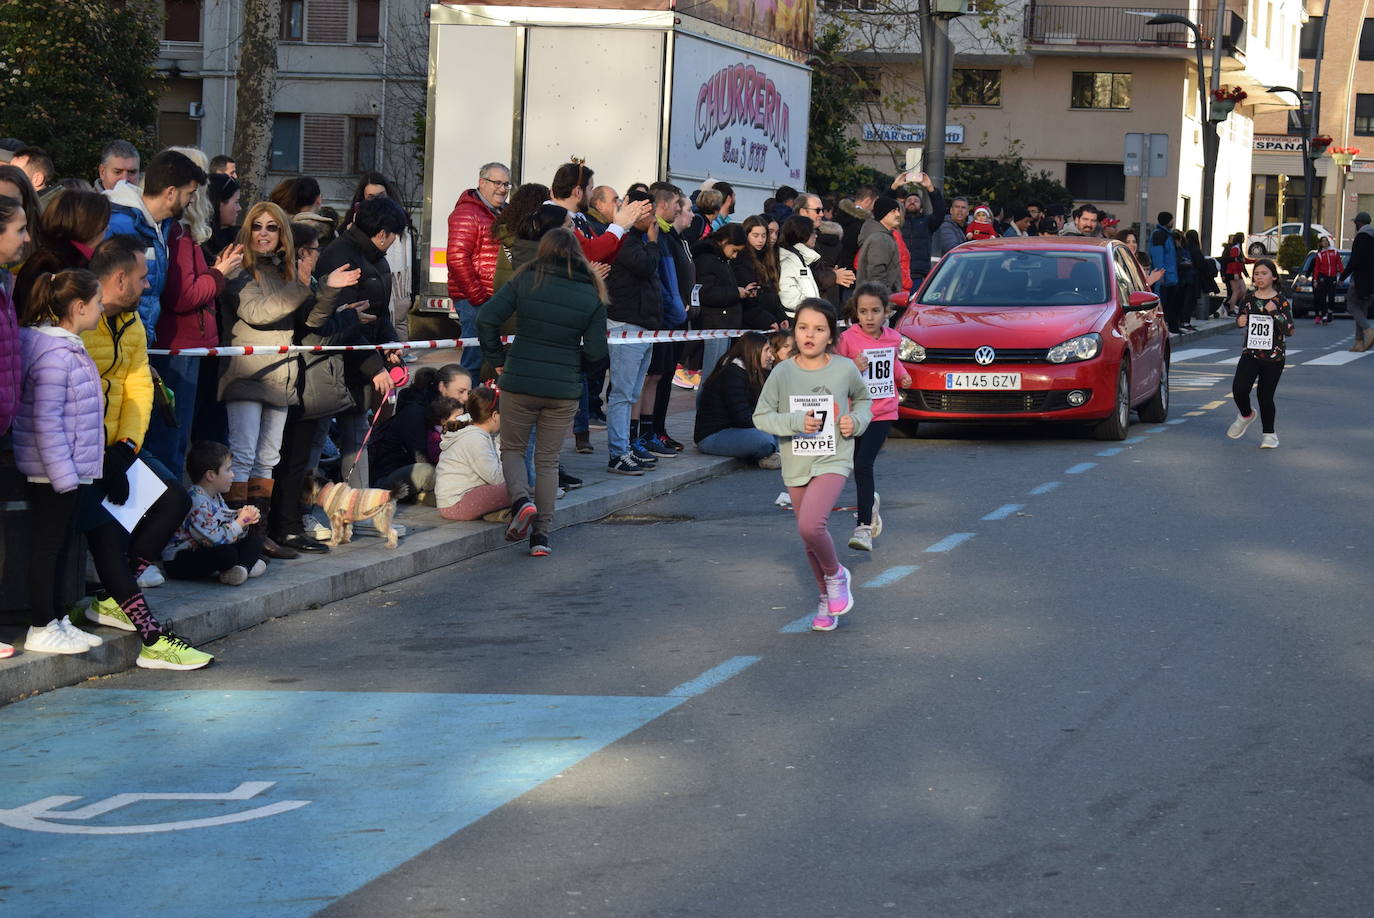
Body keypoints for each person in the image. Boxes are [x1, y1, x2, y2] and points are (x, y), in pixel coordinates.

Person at [74, 236, 214, 670]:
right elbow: (74, 390)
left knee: (174, 498)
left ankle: (121, 598)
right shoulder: (75, 315)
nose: (148, 284)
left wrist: (127, 448)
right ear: (119, 279)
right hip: (78, 447)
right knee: (101, 532)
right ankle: (151, 636)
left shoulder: (131, 320)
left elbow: (138, 387)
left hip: (117, 445)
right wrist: (98, 452)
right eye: (141, 276)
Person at [218, 201, 360, 558]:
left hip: (282, 376)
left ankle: (259, 534)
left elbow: (310, 321)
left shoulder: (286, 272)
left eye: (272, 227)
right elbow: (258, 312)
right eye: (257, 226)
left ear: (283, 235)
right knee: (245, 455)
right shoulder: (240, 269)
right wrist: (301, 285)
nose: (264, 234)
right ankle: (237, 534)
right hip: (249, 377)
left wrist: (326, 288)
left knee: (268, 458)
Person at [477, 228, 608, 554]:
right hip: (563, 388)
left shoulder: (527, 279)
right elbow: (597, 353)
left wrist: (497, 359)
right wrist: (576, 370)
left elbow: (486, 318)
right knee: (548, 461)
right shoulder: (592, 292)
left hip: (520, 378)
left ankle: (521, 501)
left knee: (513, 450)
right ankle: (541, 537)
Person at [753, 299, 872, 632]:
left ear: (830, 334)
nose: (810, 335)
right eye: (803, 327)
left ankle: (836, 575)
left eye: (819, 329)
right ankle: (826, 599)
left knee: (811, 526)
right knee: (808, 538)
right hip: (796, 460)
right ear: (794, 330)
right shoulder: (782, 372)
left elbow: (864, 401)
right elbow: (761, 416)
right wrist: (795, 422)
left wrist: (855, 421)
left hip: (833, 457)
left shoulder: (844, 368)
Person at [13, 268, 106, 655]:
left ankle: (55, 618)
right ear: (79, 307)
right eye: (98, 303)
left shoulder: (66, 347)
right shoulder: (54, 354)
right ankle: (40, 625)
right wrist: (64, 476)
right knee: (47, 547)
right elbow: (46, 420)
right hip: (52, 472)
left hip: (67, 470)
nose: (103, 310)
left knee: (62, 545)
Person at [145, 147, 244, 475]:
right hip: (180, 347)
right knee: (171, 440)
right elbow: (183, 295)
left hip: (189, 346)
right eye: (194, 188)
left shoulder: (180, 233)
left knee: (177, 438)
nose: (195, 196)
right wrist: (220, 274)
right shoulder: (178, 234)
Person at [314, 195, 408, 488]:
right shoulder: (340, 256)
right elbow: (345, 320)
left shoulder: (376, 259)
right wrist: (375, 367)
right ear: (382, 234)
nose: (395, 243)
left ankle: (359, 506)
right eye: (395, 236)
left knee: (358, 436)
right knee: (317, 440)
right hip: (332, 364)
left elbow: (378, 314)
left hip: (361, 363)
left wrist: (390, 343)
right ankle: (303, 513)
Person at [835, 282, 912, 551]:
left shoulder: (893, 337)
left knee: (863, 464)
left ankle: (864, 527)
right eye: (863, 311)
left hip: (883, 411)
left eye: (875, 311)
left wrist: (902, 374)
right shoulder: (848, 339)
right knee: (856, 463)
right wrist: (851, 367)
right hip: (856, 412)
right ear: (856, 312)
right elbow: (834, 370)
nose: (869, 317)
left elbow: (892, 361)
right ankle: (871, 504)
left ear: (886, 312)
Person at [105, 149, 206, 341]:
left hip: (137, 340)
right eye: (190, 193)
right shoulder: (121, 226)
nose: (192, 200)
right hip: (119, 343)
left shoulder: (160, 226)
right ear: (171, 193)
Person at [603, 188, 663, 476]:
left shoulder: (636, 239)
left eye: (651, 212)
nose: (650, 218)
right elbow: (646, 266)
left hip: (643, 327)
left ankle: (625, 448)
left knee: (632, 391)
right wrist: (653, 242)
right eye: (645, 212)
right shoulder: (625, 239)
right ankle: (618, 453)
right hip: (626, 325)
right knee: (623, 393)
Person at [162, 441, 266, 585]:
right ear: (211, 475)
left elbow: (226, 529)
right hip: (181, 559)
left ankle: (241, 569)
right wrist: (239, 523)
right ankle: (246, 565)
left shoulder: (215, 495)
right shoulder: (196, 500)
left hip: (207, 548)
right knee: (226, 554)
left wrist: (244, 522)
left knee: (255, 538)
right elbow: (212, 539)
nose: (232, 475)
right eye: (228, 470)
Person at [370, 364, 472, 500]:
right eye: (461, 391)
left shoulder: (454, 410)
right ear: (442, 387)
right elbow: (421, 456)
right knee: (428, 472)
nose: (465, 398)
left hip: (422, 470)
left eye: (468, 392)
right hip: (390, 475)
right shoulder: (415, 411)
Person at [447, 162, 510, 374]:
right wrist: (479, 298)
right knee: (474, 359)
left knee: (491, 361)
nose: (502, 189)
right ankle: (466, 404)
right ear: (482, 182)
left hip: (493, 299)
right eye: (497, 183)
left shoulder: (501, 213)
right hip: (475, 301)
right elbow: (457, 258)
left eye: (506, 184)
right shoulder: (467, 212)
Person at [1226, 259, 1293, 449]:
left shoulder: (1280, 301)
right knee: (1239, 389)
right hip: (1251, 353)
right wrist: (1240, 321)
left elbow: (1289, 329)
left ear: (1273, 277)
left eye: (1264, 273)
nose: (1260, 277)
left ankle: (1269, 435)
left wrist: (1275, 314)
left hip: (1274, 356)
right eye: (1256, 273)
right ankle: (1246, 415)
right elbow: (1241, 318)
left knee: (1265, 395)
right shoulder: (1248, 299)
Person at [694, 332, 781, 467]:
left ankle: (776, 454)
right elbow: (742, 418)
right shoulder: (732, 374)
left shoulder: (756, 372)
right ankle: (772, 454)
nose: (771, 356)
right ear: (753, 351)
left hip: (739, 428)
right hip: (714, 435)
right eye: (766, 351)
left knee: (786, 431)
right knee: (765, 440)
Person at [349, 172, 415, 348]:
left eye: (381, 196)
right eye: (371, 197)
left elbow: (412, 263)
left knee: (399, 325)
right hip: (370, 289)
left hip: (399, 289)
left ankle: (400, 365)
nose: (377, 201)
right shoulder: (353, 227)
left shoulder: (403, 224)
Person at [13, 188, 109, 309]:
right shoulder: (50, 265)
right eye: (103, 222)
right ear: (88, 224)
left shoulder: (65, 258)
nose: (107, 228)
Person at [435, 386, 512, 521]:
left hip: (461, 499)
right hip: (456, 504)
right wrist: (503, 445)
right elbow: (496, 478)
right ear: (494, 416)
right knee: (515, 487)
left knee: (517, 484)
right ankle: (518, 511)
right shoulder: (475, 439)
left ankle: (501, 514)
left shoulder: (476, 433)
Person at [692, 222, 749, 391]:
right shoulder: (708, 260)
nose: (735, 256)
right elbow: (705, 293)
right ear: (724, 241)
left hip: (723, 324)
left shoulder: (720, 260)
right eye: (734, 251)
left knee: (716, 377)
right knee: (711, 378)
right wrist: (735, 293)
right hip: (715, 325)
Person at [894, 171, 945, 289]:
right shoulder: (896, 222)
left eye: (916, 201)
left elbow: (940, 211)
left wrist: (930, 188)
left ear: (922, 208)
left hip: (918, 274)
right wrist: (895, 186)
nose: (912, 202)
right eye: (909, 201)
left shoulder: (927, 222)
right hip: (897, 273)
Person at [736, 214, 786, 329]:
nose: (760, 240)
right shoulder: (741, 259)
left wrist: (781, 317)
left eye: (763, 236)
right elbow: (749, 302)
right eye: (755, 235)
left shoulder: (768, 258)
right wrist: (768, 320)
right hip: (752, 325)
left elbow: (773, 293)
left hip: (770, 320)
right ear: (746, 235)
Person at [856, 197, 904, 294]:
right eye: (893, 211)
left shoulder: (882, 235)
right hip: (879, 299)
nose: (898, 214)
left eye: (898, 211)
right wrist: (883, 300)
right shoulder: (880, 238)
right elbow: (876, 275)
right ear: (883, 214)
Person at [1341, 211, 1374, 351]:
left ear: (1358, 223)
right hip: (1372, 282)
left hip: (1360, 280)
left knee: (1352, 306)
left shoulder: (1361, 237)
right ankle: (1359, 342)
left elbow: (1354, 261)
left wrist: (1342, 277)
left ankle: (1368, 330)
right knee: (1362, 309)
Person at [777, 215, 821, 319]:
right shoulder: (788, 261)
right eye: (813, 232)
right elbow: (789, 297)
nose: (816, 236)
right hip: (797, 318)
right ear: (803, 235)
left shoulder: (800, 259)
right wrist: (811, 308)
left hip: (804, 315)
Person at [836, 184, 878, 270]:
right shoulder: (865, 224)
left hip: (837, 268)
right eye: (875, 202)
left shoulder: (838, 213)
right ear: (867, 201)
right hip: (855, 270)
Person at [205, 173, 242, 258]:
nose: (239, 208)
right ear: (218, 203)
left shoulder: (238, 237)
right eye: (236, 202)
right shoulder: (198, 242)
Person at [1312, 235, 1342, 326]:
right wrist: (1315, 280)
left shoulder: (1334, 251)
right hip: (1323, 276)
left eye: (1326, 241)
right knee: (1322, 296)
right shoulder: (1320, 254)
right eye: (1323, 241)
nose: (1325, 242)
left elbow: (1339, 264)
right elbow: (1316, 268)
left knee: (1332, 296)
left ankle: (1330, 312)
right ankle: (1324, 315)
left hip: (1332, 276)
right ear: (1321, 243)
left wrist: (1342, 276)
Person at [1221, 232, 1248, 316]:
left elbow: (1242, 261)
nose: (1244, 239)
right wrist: (1235, 273)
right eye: (1243, 238)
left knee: (1242, 290)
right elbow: (1233, 261)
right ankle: (1231, 309)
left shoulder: (1238, 248)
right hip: (1233, 272)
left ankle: (1228, 303)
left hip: (1237, 272)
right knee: (1236, 291)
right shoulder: (1235, 248)